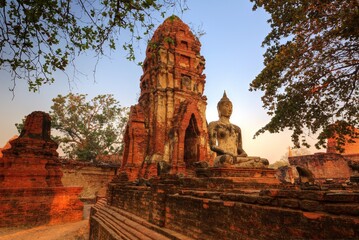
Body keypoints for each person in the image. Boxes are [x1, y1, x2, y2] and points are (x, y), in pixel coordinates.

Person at [208, 92, 268, 168]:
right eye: (227, 106)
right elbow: (213, 146)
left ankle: (236, 167)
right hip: (223, 157)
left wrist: (243, 153)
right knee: (227, 159)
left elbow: (239, 148)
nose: (230, 109)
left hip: (236, 158)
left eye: (231, 107)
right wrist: (227, 152)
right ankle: (241, 166)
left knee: (264, 161)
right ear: (219, 108)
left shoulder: (237, 128)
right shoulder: (214, 125)